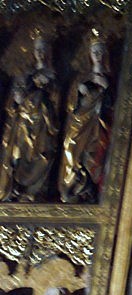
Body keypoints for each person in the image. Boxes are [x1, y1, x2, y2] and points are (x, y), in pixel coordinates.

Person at [0, 28, 60, 201]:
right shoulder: (25, 75)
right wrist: (17, 100)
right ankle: (16, 189)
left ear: (49, 53)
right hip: (23, 124)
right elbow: (11, 104)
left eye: (44, 49)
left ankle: (35, 191)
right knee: (18, 154)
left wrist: (47, 89)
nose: (40, 53)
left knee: (42, 155)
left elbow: (57, 103)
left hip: (43, 124)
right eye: (38, 49)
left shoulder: (53, 77)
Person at [58, 28, 113, 203]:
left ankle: (87, 190)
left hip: (98, 124)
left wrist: (106, 87)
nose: (97, 55)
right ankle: (71, 187)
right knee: (71, 148)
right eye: (94, 52)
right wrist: (79, 91)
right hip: (79, 123)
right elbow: (70, 106)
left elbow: (114, 104)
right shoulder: (81, 78)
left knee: (94, 153)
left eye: (100, 52)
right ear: (89, 54)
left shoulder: (110, 78)